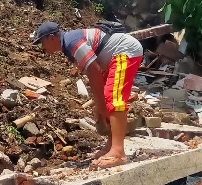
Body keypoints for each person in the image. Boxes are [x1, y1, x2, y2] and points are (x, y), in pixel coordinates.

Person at [32, 21, 143, 169]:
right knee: (107, 98)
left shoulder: (72, 42)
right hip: (114, 56)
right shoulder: (68, 46)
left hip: (125, 51)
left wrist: (101, 104)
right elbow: (94, 74)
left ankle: (118, 152)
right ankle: (111, 146)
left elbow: (94, 71)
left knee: (113, 97)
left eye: (42, 42)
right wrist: (99, 104)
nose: (42, 48)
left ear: (51, 38)